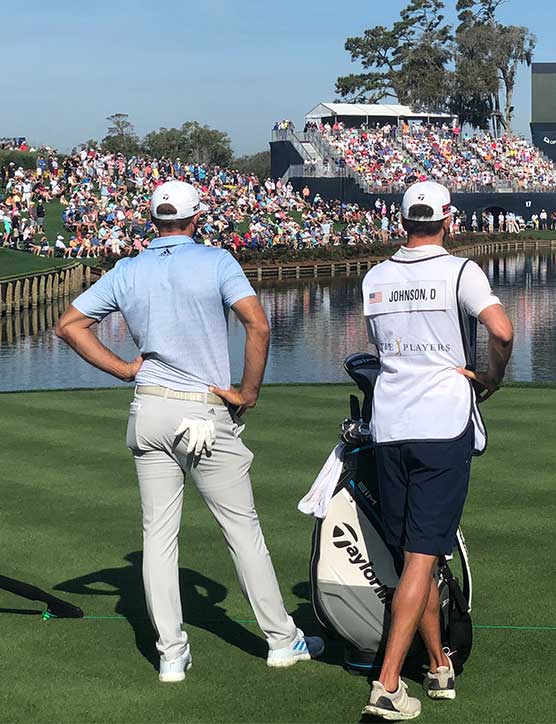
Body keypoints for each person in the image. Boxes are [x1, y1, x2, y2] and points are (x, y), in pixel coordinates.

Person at [53, 180, 323, 682]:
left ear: (152, 221)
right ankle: (282, 641)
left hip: (149, 408)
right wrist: (248, 392)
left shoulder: (127, 270)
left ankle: (171, 655)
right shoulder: (217, 261)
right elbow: (258, 326)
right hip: (203, 412)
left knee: (158, 538)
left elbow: (69, 325)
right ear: (196, 218)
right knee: (241, 530)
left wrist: (125, 369)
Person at [361, 182, 513, 720]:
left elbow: (381, 346)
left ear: (402, 221)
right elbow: (502, 331)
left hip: (389, 423)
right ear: (448, 220)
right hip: (442, 423)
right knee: (423, 555)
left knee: (414, 556)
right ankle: (387, 684)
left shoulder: (374, 277)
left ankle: (437, 664)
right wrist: (491, 377)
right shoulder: (460, 271)